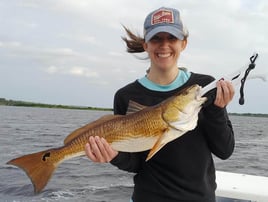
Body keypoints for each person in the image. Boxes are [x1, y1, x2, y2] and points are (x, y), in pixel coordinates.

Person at [85, 7, 235, 202]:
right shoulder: (126, 96)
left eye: (171, 38)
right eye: (156, 39)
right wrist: (114, 156)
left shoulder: (203, 88)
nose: (164, 45)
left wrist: (216, 110)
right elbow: (136, 163)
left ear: (184, 43)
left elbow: (225, 150)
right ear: (145, 45)